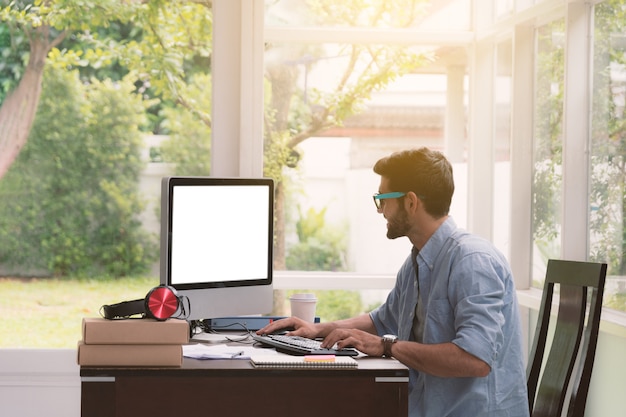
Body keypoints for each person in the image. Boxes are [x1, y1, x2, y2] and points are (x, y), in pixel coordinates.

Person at [257, 148, 529, 417]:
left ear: (410, 202)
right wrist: (317, 330)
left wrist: (387, 346)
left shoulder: (472, 261)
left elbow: (475, 360)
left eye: (383, 199)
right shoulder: (416, 264)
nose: (380, 211)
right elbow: (381, 320)